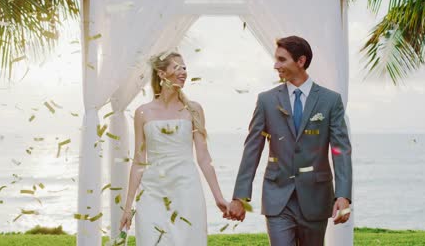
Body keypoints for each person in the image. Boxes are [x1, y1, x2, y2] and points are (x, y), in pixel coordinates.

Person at [228, 36, 353, 246]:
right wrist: (240, 196)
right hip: (277, 197)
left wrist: (343, 196)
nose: (276, 65)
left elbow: (340, 150)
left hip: (316, 197)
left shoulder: (330, 101)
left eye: (282, 60)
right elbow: (252, 149)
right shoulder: (266, 101)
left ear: (301, 61)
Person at [119, 52, 229, 245]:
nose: (184, 72)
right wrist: (128, 206)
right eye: (177, 67)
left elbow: (203, 158)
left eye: (185, 67)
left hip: (186, 189)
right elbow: (138, 161)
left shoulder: (194, 109)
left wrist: (219, 197)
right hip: (152, 191)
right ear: (162, 74)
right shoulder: (142, 112)